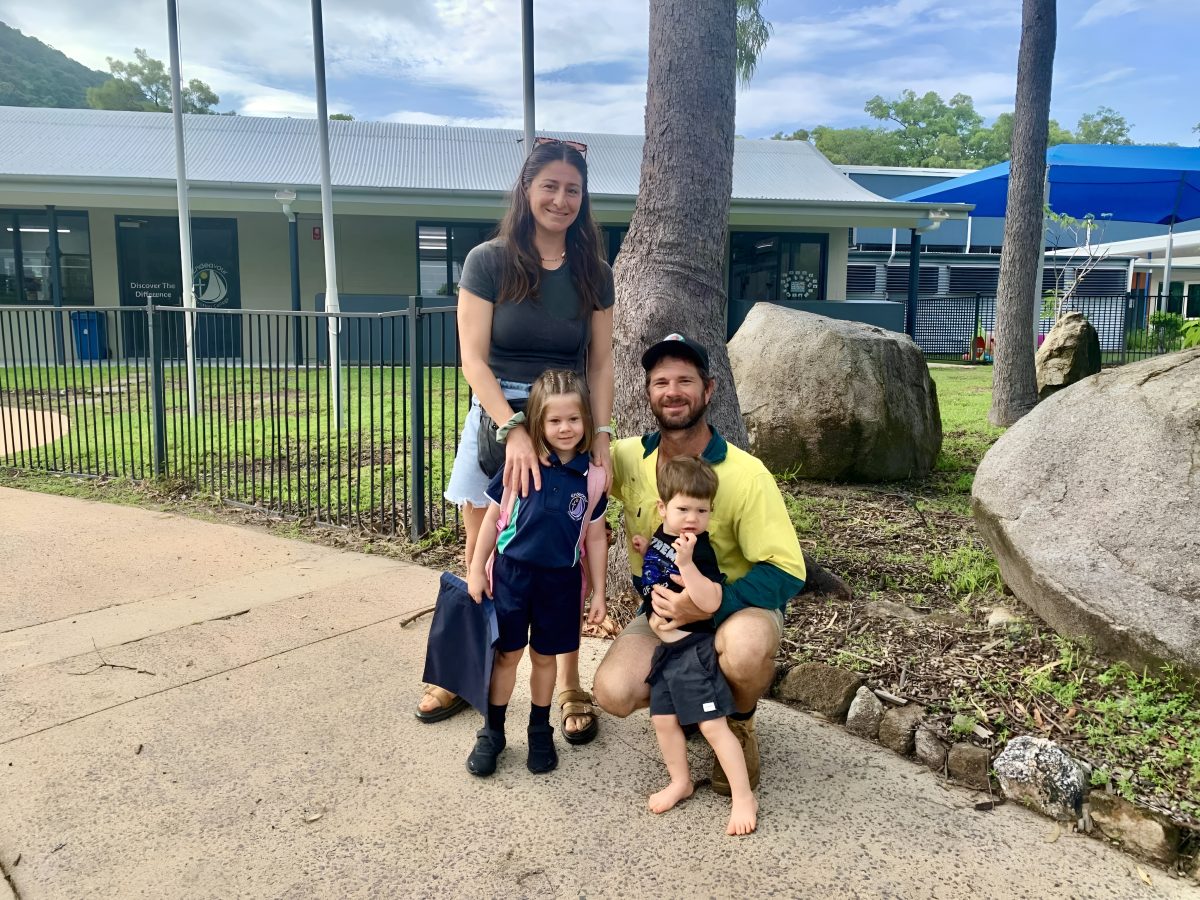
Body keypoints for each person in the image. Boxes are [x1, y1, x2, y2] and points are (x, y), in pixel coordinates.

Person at [415, 136, 615, 744]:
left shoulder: (593, 272)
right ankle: (463, 668)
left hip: (566, 420)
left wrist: (600, 435)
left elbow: (602, 362)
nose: (560, 199)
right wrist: (510, 429)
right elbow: (471, 358)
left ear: (583, 199)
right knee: (487, 553)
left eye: (572, 189)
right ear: (527, 191)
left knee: (569, 549)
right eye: (549, 186)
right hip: (497, 413)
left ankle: (572, 681)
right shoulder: (489, 261)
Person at [593, 333, 807, 798]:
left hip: (731, 609)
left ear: (708, 391)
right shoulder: (628, 457)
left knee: (747, 647)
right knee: (612, 690)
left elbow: (788, 570)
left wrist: (710, 607)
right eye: (661, 381)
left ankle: (740, 722)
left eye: (685, 380)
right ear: (648, 392)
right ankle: (692, 703)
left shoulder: (746, 473)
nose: (673, 391)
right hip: (664, 615)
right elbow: (569, 464)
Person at [464, 370, 609, 776]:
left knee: (545, 659)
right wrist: (477, 569)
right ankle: (492, 732)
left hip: (561, 583)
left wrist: (597, 592)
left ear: (586, 420)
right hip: (512, 576)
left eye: (574, 419)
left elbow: (595, 538)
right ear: (536, 423)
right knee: (507, 655)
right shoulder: (521, 464)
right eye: (554, 420)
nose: (565, 428)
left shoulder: (593, 476)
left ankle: (539, 730)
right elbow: (492, 519)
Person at [633, 456, 757, 835]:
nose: (692, 518)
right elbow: (656, 564)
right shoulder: (664, 534)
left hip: (693, 650)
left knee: (712, 725)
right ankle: (680, 781)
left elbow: (710, 600)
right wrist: (644, 548)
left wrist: (687, 565)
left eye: (701, 510)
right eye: (683, 508)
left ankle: (742, 795)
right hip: (666, 651)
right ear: (663, 508)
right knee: (664, 720)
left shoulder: (698, 548)